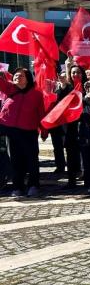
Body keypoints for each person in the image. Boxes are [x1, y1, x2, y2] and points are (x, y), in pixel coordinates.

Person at [0, 68, 45, 197]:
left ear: (28, 79)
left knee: (31, 160)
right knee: (15, 160)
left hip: (28, 131)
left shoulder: (36, 94)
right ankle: (17, 187)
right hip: (10, 130)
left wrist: (44, 130)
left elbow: (41, 113)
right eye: (15, 75)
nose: (17, 77)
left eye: (20, 76)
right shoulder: (10, 88)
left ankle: (33, 185)